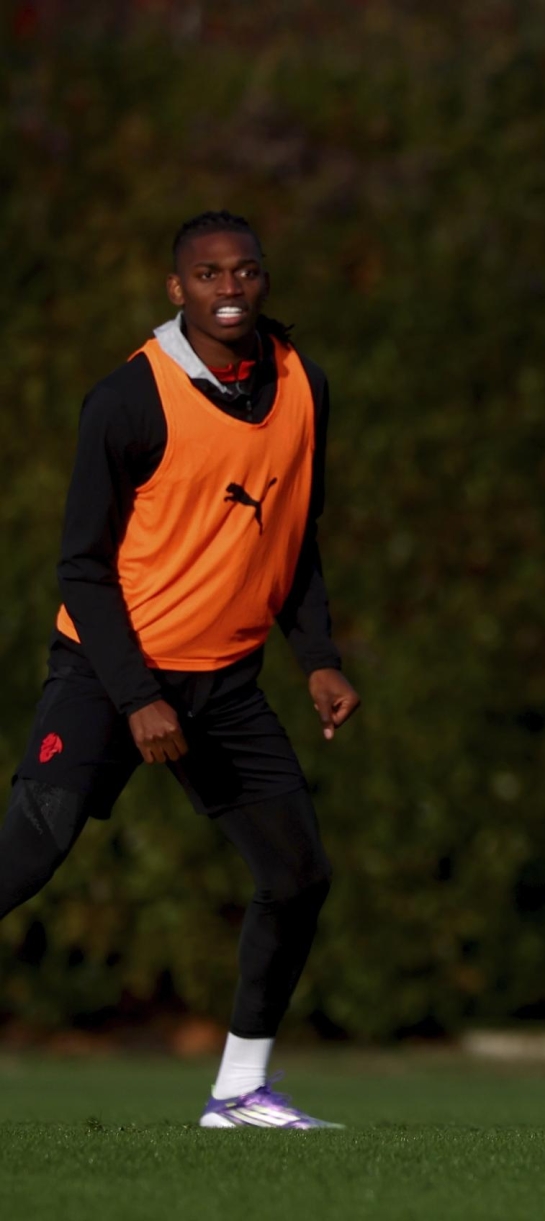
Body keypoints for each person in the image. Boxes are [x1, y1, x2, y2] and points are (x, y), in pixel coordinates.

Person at [7, 211, 360, 1128]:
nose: (229, 290)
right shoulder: (128, 399)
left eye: (244, 272)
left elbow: (294, 538)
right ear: (178, 290)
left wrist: (316, 657)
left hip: (226, 681)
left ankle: (240, 1094)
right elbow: (80, 567)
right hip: (106, 669)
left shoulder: (304, 383)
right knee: (27, 853)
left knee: (297, 875)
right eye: (208, 275)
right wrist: (136, 697)